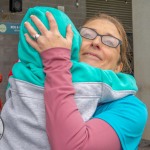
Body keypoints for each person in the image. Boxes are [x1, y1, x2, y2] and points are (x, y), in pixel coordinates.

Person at [0, 6, 147, 150]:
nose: (95, 43)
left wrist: (56, 59)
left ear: (118, 67)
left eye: (109, 41)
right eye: (87, 35)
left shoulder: (131, 109)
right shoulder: (38, 79)